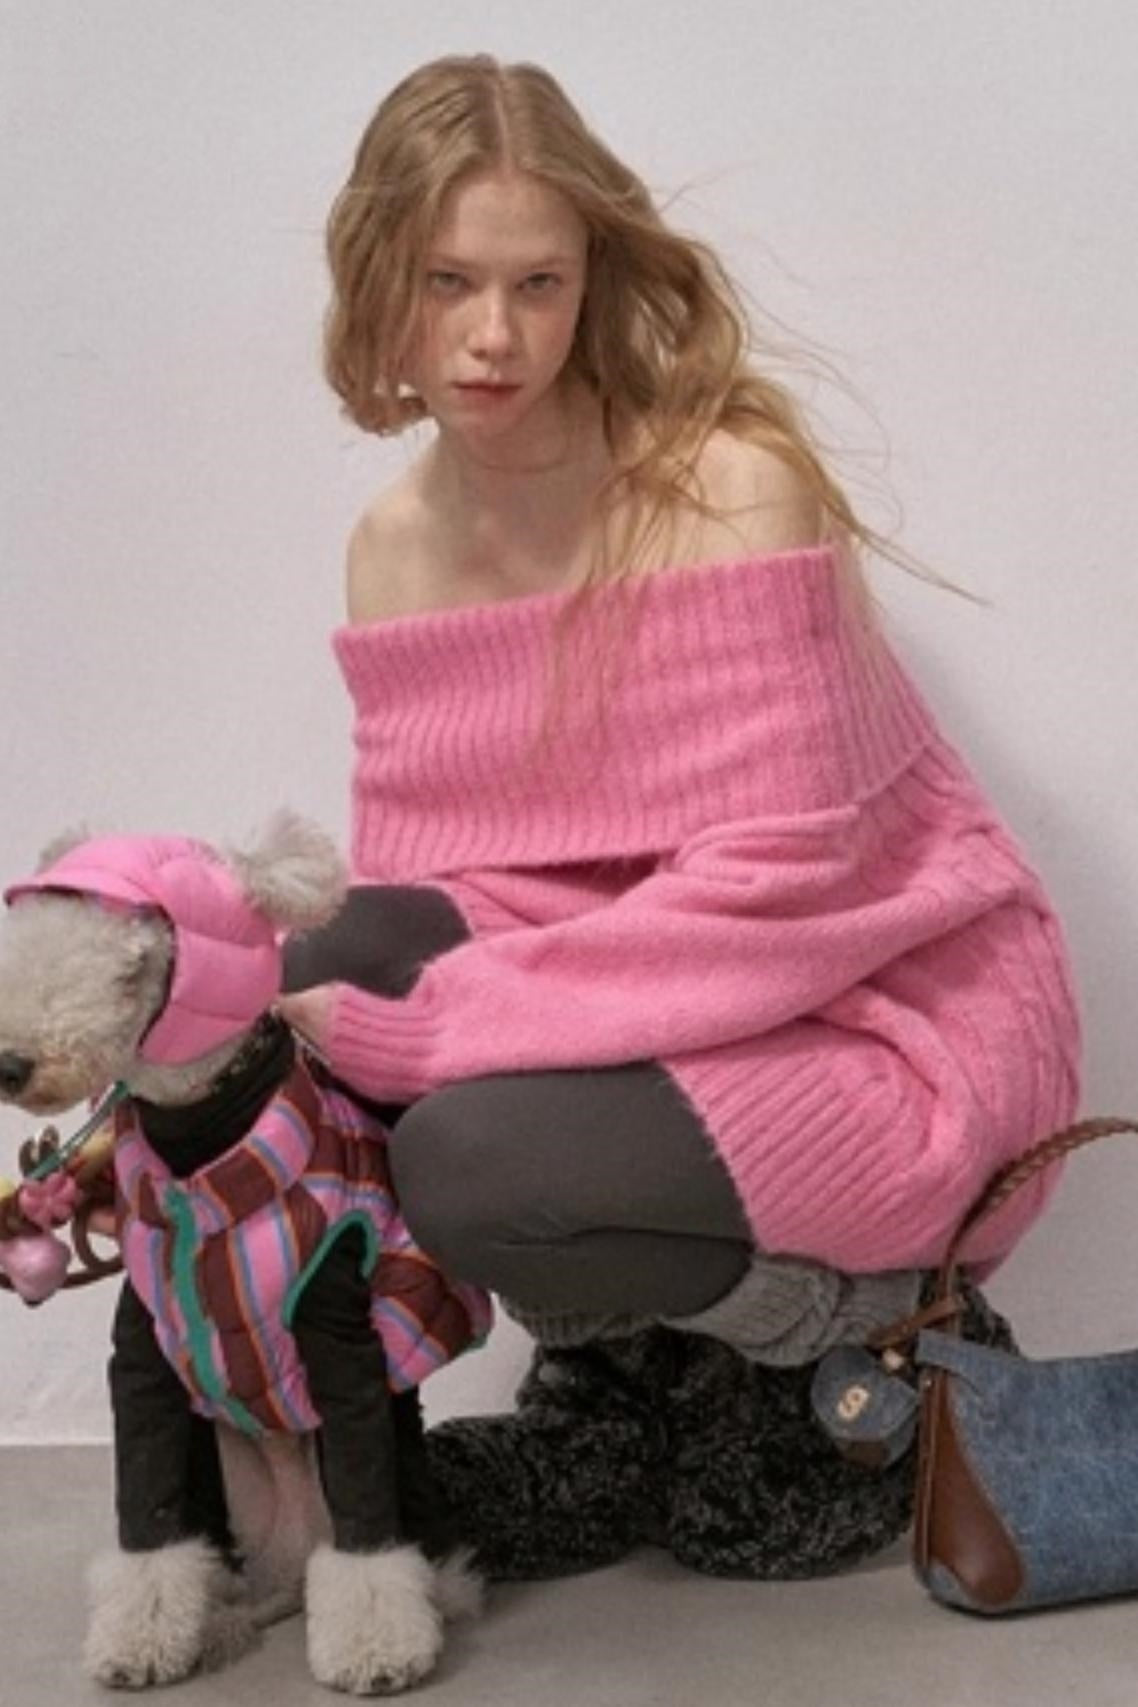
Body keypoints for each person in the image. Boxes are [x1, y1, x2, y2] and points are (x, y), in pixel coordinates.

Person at [279, 53, 1081, 1580]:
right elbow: (450, 891)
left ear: (593, 279)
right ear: (377, 278)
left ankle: (857, 1338)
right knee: (320, 969)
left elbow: (781, 894)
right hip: (645, 1006)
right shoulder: (392, 548)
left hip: (863, 1013)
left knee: (469, 1154)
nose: (493, 334)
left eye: (536, 281)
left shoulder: (725, 490)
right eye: (447, 281)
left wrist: (447, 1030)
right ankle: (619, 1389)